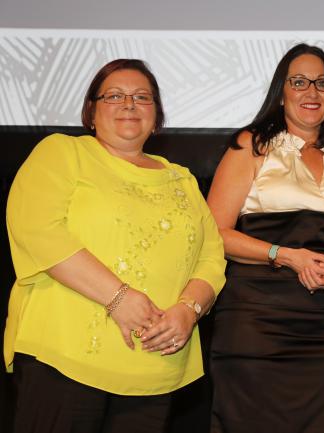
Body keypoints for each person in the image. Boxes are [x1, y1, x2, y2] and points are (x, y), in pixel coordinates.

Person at [4, 59, 226, 433]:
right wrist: (118, 297)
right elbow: (38, 229)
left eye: (142, 97)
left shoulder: (182, 180)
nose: (129, 104)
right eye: (114, 96)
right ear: (91, 112)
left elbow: (212, 256)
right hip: (64, 357)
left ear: (157, 117)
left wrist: (188, 311)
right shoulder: (62, 153)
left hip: (153, 365)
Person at [206, 43, 324, 433]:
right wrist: (286, 255)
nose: (311, 92)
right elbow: (213, 234)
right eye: (299, 82)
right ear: (281, 92)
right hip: (255, 325)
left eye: (321, 83)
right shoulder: (251, 146)